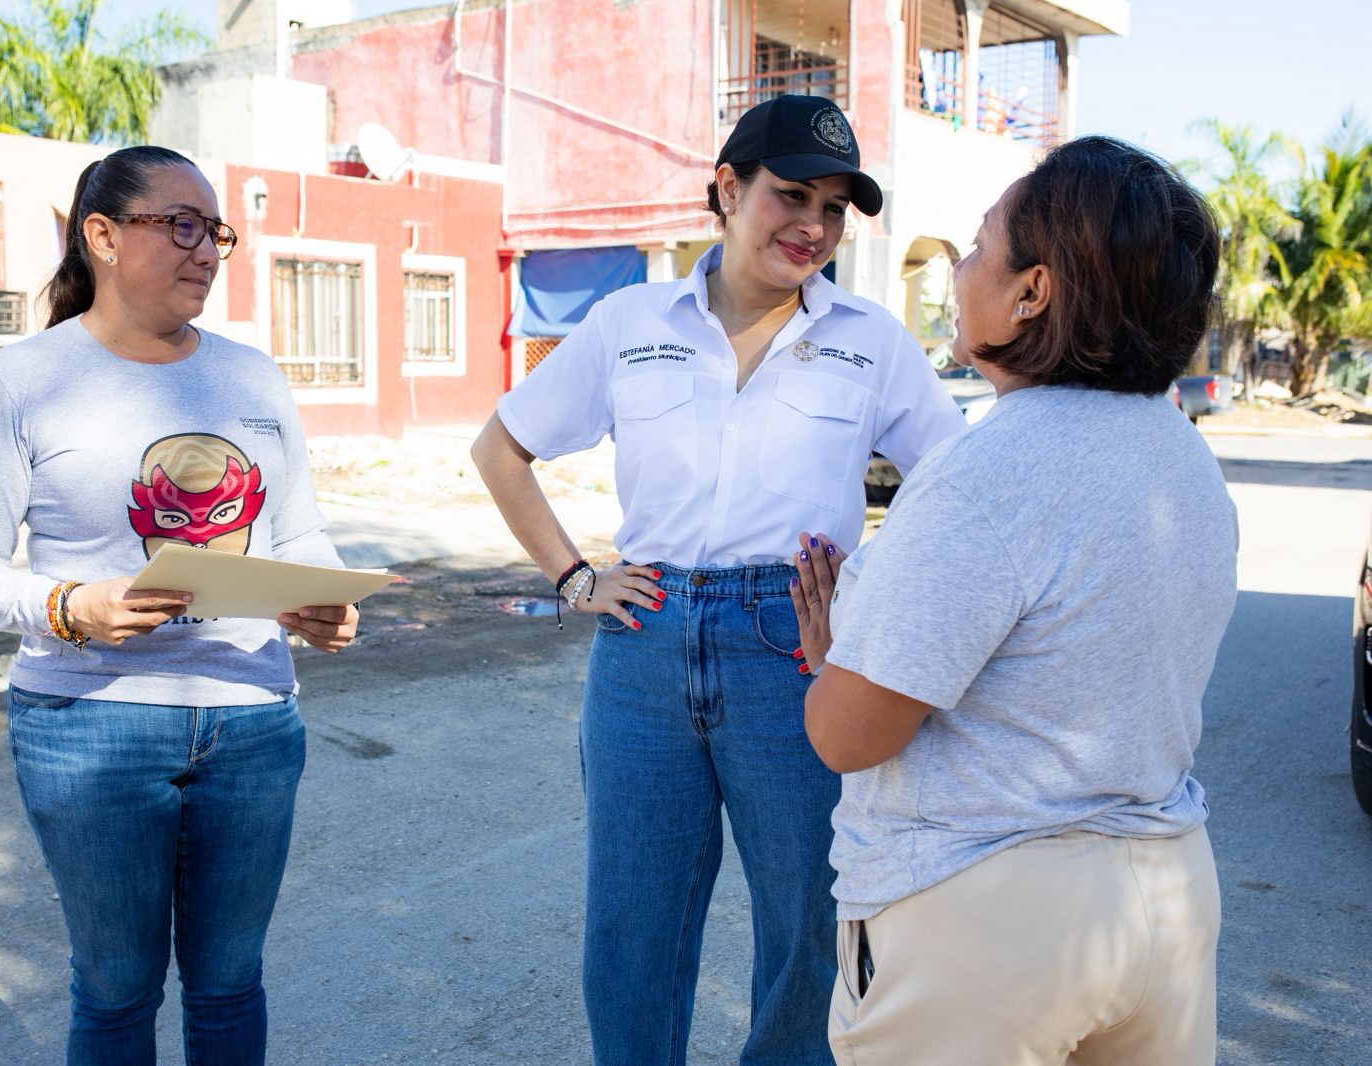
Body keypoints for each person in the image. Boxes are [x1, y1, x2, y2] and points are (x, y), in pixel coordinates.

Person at [471, 95, 965, 1065]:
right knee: (633, 925)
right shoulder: (630, 321)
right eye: (792, 195)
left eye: (834, 208)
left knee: (808, 926)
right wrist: (575, 577)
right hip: (644, 646)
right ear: (729, 190)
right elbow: (501, 448)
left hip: (794, 652)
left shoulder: (870, 340)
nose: (813, 226)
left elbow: (956, 491)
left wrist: (864, 600)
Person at [797, 135, 1235, 1065]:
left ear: (1032, 292)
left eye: (978, 245)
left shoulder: (984, 473)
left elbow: (847, 737)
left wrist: (834, 656)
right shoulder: (1184, 458)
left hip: (988, 927)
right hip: (1165, 898)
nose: (958, 270)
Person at [0, 146, 357, 1065]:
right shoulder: (22, 382)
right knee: (117, 989)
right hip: (91, 726)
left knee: (231, 982)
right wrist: (68, 605)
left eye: (215, 232)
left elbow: (298, 531)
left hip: (252, 718)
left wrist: (321, 592)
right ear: (104, 236)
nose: (205, 250)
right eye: (181, 225)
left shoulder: (254, 378)